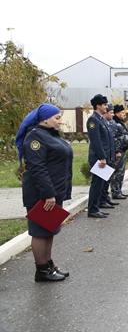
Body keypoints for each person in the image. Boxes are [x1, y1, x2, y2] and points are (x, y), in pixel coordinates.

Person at [16, 104, 72, 282]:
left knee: (49, 230)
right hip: (42, 194)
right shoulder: (35, 137)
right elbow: (37, 168)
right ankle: (41, 270)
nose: (60, 121)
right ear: (45, 119)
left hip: (54, 192)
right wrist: (48, 194)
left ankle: (49, 265)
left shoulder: (48, 134)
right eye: (56, 118)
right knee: (40, 232)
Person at [87, 94, 115, 218]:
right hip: (98, 158)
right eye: (104, 105)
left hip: (104, 157)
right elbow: (96, 141)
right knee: (96, 184)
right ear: (97, 106)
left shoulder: (102, 119)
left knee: (102, 184)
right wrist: (102, 157)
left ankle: (98, 205)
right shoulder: (93, 120)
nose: (106, 107)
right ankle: (92, 209)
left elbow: (107, 140)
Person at [109, 104, 128, 200]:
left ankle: (119, 190)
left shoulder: (121, 123)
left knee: (121, 172)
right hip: (118, 152)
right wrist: (117, 151)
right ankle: (115, 191)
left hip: (122, 151)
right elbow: (113, 139)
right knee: (116, 172)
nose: (123, 114)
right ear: (117, 113)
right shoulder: (114, 124)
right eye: (121, 112)